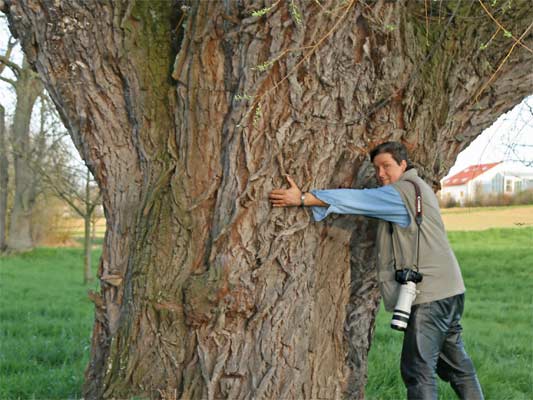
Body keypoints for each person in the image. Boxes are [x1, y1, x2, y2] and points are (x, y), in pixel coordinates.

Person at [269, 141, 484, 400]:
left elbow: (357, 200)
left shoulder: (401, 193)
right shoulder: (419, 189)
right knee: (458, 367)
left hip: (430, 296)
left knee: (418, 371)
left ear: (403, 165)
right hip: (450, 290)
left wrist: (304, 198)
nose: (380, 174)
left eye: (386, 166)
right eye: (376, 168)